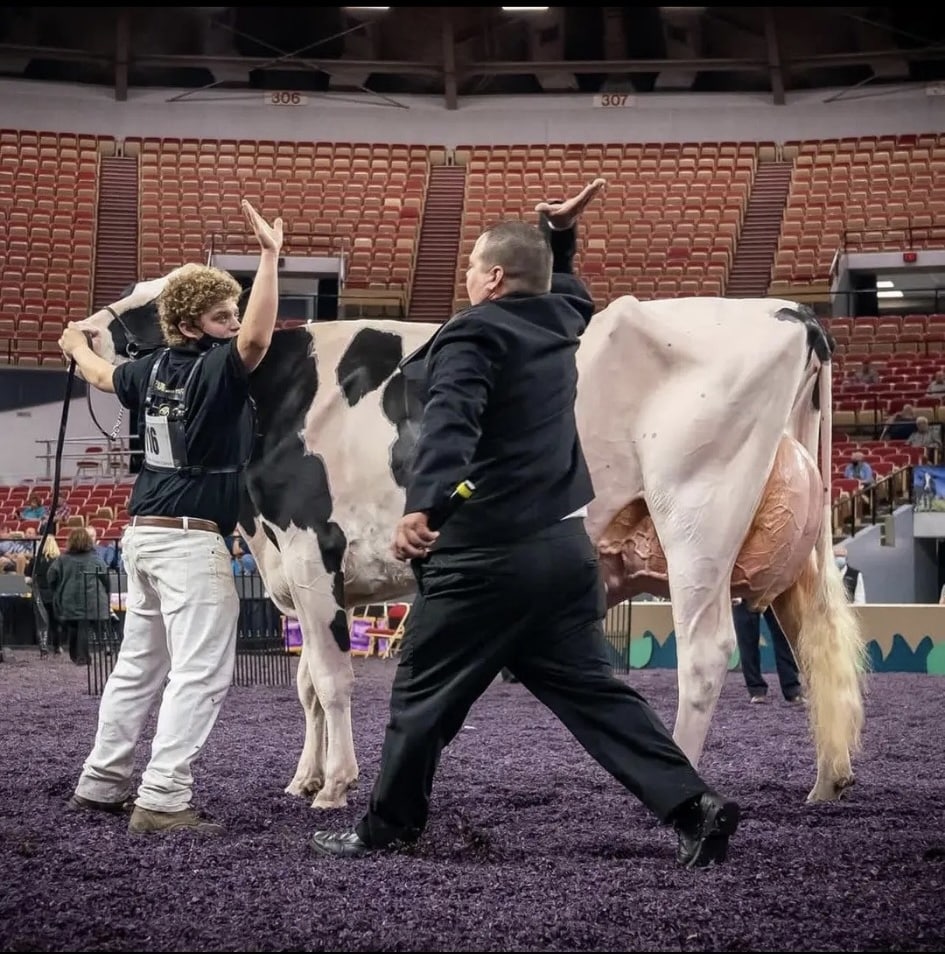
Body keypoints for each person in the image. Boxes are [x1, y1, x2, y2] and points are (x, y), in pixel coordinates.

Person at [310, 180, 740, 870]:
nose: (466, 276)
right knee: (594, 695)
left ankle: (389, 827)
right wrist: (559, 239)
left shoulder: (474, 330)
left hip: (483, 559)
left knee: (420, 697)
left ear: (494, 277)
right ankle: (693, 807)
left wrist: (426, 504)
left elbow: (452, 420)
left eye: (474, 265)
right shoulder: (558, 320)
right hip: (564, 554)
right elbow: (567, 291)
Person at [57, 199, 283, 836]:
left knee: (137, 667)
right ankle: (161, 797)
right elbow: (259, 340)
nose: (232, 323)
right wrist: (269, 258)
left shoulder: (147, 368)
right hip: (190, 542)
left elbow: (102, 374)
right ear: (190, 324)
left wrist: (76, 342)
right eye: (221, 315)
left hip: (142, 536)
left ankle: (102, 783)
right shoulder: (217, 369)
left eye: (233, 311)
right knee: (200, 672)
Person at [48, 526, 111, 665]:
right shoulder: (96, 559)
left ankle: (76, 655)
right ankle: (82, 657)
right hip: (92, 599)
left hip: (69, 598)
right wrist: (106, 593)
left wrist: (58, 589)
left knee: (74, 625)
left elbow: (51, 577)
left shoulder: (62, 559)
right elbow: (106, 579)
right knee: (83, 625)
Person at [731, 599, 803, 705]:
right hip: (744, 587)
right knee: (746, 637)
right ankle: (756, 690)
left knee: (783, 633)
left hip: (774, 587)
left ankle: (792, 689)